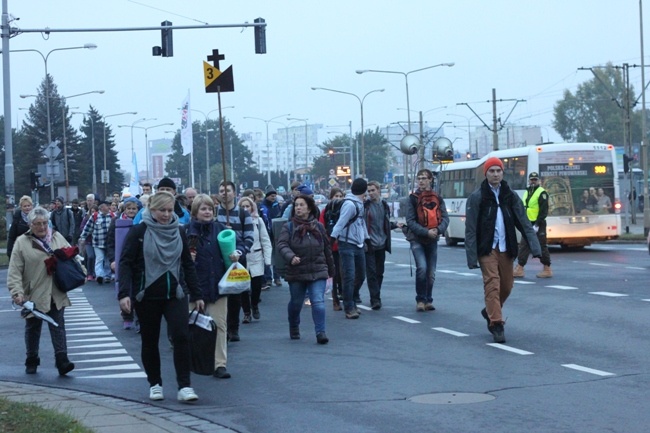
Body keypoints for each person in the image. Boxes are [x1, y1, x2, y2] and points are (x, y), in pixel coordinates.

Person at [118, 192, 204, 402]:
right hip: (146, 295)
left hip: (175, 293)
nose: (166, 215)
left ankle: (184, 386)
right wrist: (124, 294)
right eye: (161, 210)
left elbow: (187, 264)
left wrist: (197, 294)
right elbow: (126, 263)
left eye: (169, 210)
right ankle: (155, 383)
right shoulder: (139, 231)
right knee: (150, 340)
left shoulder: (179, 231)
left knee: (181, 336)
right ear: (152, 210)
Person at [465, 157, 541, 344]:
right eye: (492, 171)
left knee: (507, 285)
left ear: (503, 173)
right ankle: (496, 324)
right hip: (487, 249)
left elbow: (523, 222)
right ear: (486, 174)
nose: (495, 174)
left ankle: (490, 311)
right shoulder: (478, 196)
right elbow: (471, 228)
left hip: (506, 248)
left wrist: (536, 248)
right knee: (492, 283)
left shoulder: (510, 195)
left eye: (498, 171)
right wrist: (472, 257)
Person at [7, 206, 77, 376]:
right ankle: (32, 359)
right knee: (33, 327)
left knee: (58, 325)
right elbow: (14, 270)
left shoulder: (56, 236)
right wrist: (17, 292)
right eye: (37, 224)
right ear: (30, 224)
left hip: (55, 290)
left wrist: (78, 271)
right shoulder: (22, 243)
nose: (42, 227)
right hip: (33, 292)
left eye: (45, 223)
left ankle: (62, 360)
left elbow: (71, 257)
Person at [186, 194, 241, 379]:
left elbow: (235, 248)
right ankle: (192, 360)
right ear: (195, 212)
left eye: (210, 208)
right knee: (192, 326)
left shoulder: (220, 229)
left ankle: (220, 364)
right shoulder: (188, 231)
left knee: (219, 325)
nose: (208, 212)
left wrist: (235, 254)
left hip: (217, 284)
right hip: (194, 285)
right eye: (203, 209)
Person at [277, 194, 334, 344]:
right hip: (297, 271)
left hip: (318, 270)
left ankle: (320, 332)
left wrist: (331, 272)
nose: (298, 208)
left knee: (318, 301)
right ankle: (294, 325)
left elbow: (327, 249)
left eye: (301, 205)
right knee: (296, 303)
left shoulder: (319, 227)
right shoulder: (288, 227)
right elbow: (282, 245)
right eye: (296, 205)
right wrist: (291, 257)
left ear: (309, 208)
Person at [405, 169, 449, 312]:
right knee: (422, 268)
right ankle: (420, 299)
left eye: (424, 178)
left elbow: (445, 218)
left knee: (431, 272)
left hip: (433, 239)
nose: (421, 181)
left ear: (430, 180)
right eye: (419, 178)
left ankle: (428, 299)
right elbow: (410, 221)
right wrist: (426, 232)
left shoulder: (438, 197)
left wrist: (438, 230)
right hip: (417, 239)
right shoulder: (412, 198)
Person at [216, 180, 254, 342]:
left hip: (237, 259)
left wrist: (239, 251)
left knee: (235, 294)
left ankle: (234, 328)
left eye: (228, 190)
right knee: (219, 294)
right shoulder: (213, 211)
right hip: (217, 259)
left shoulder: (242, 214)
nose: (225, 193)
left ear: (234, 193)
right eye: (222, 190)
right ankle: (221, 327)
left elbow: (249, 238)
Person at [358, 181, 403, 310]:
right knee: (371, 272)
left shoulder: (384, 205)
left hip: (381, 243)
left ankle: (376, 294)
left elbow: (385, 222)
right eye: (369, 191)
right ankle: (375, 299)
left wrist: (395, 225)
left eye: (373, 190)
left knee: (380, 272)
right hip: (369, 243)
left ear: (378, 190)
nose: (371, 193)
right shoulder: (365, 206)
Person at [331, 178, 368, 320]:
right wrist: (332, 238)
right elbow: (340, 223)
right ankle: (349, 306)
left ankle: (352, 299)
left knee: (360, 275)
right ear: (364, 190)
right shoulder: (350, 204)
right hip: (346, 243)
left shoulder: (360, 203)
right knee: (349, 276)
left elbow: (360, 222)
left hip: (358, 243)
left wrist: (366, 238)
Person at [107, 197, 142, 329]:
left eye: (134, 209)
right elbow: (110, 242)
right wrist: (112, 260)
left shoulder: (141, 222)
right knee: (124, 287)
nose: (131, 211)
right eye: (129, 208)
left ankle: (140, 318)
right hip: (121, 258)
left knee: (138, 289)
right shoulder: (116, 221)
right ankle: (127, 315)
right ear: (124, 209)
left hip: (138, 260)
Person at [237, 197, 272, 323]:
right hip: (242, 257)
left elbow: (265, 240)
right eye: (243, 206)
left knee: (256, 285)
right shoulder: (237, 221)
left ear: (252, 207)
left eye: (248, 206)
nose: (246, 209)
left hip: (256, 256)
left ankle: (255, 305)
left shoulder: (258, 221)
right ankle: (246, 312)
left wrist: (268, 259)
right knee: (243, 286)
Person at [513, 172, 553, 278]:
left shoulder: (542, 193)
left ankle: (547, 268)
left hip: (538, 223)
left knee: (541, 245)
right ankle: (520, 268)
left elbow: (543, 211)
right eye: (532, 179)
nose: (533, 181)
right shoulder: (527, 192)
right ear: (529, 180)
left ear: (538, 181)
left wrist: (537, 224)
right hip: (527, 223)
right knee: (524, 245)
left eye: (535, 179)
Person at [319, 188, 344, 310]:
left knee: (344, 273)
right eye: (336, 196)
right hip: (331, 247)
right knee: (335, 273)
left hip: (344, 246)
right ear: (331, 198)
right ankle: (335, 299)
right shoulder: (326, 211)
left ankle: (344, 293)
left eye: (340, 196)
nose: (338, 198)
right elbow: (321, 228)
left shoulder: (345, 211)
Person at [79, 200, 114, 284]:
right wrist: (83, 237)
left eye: (105, 206)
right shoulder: (95, 216)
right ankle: (99, 276)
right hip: (97, 243)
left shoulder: (113, 216)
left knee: (107, 260)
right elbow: (87, 228)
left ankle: (107, 276)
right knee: (99, 259)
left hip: (109, 243)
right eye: (102, 207)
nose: (104, 208)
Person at [261, 188, 283, 287]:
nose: (273, 197)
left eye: (275, 195)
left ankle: (277, 277)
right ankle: (268, 278)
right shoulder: (263, 206)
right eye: (271, 195)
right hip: (267, 232)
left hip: (276, 231)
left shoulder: (276, 205)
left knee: (276, 254)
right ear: (267, 196)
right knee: (267, 255)